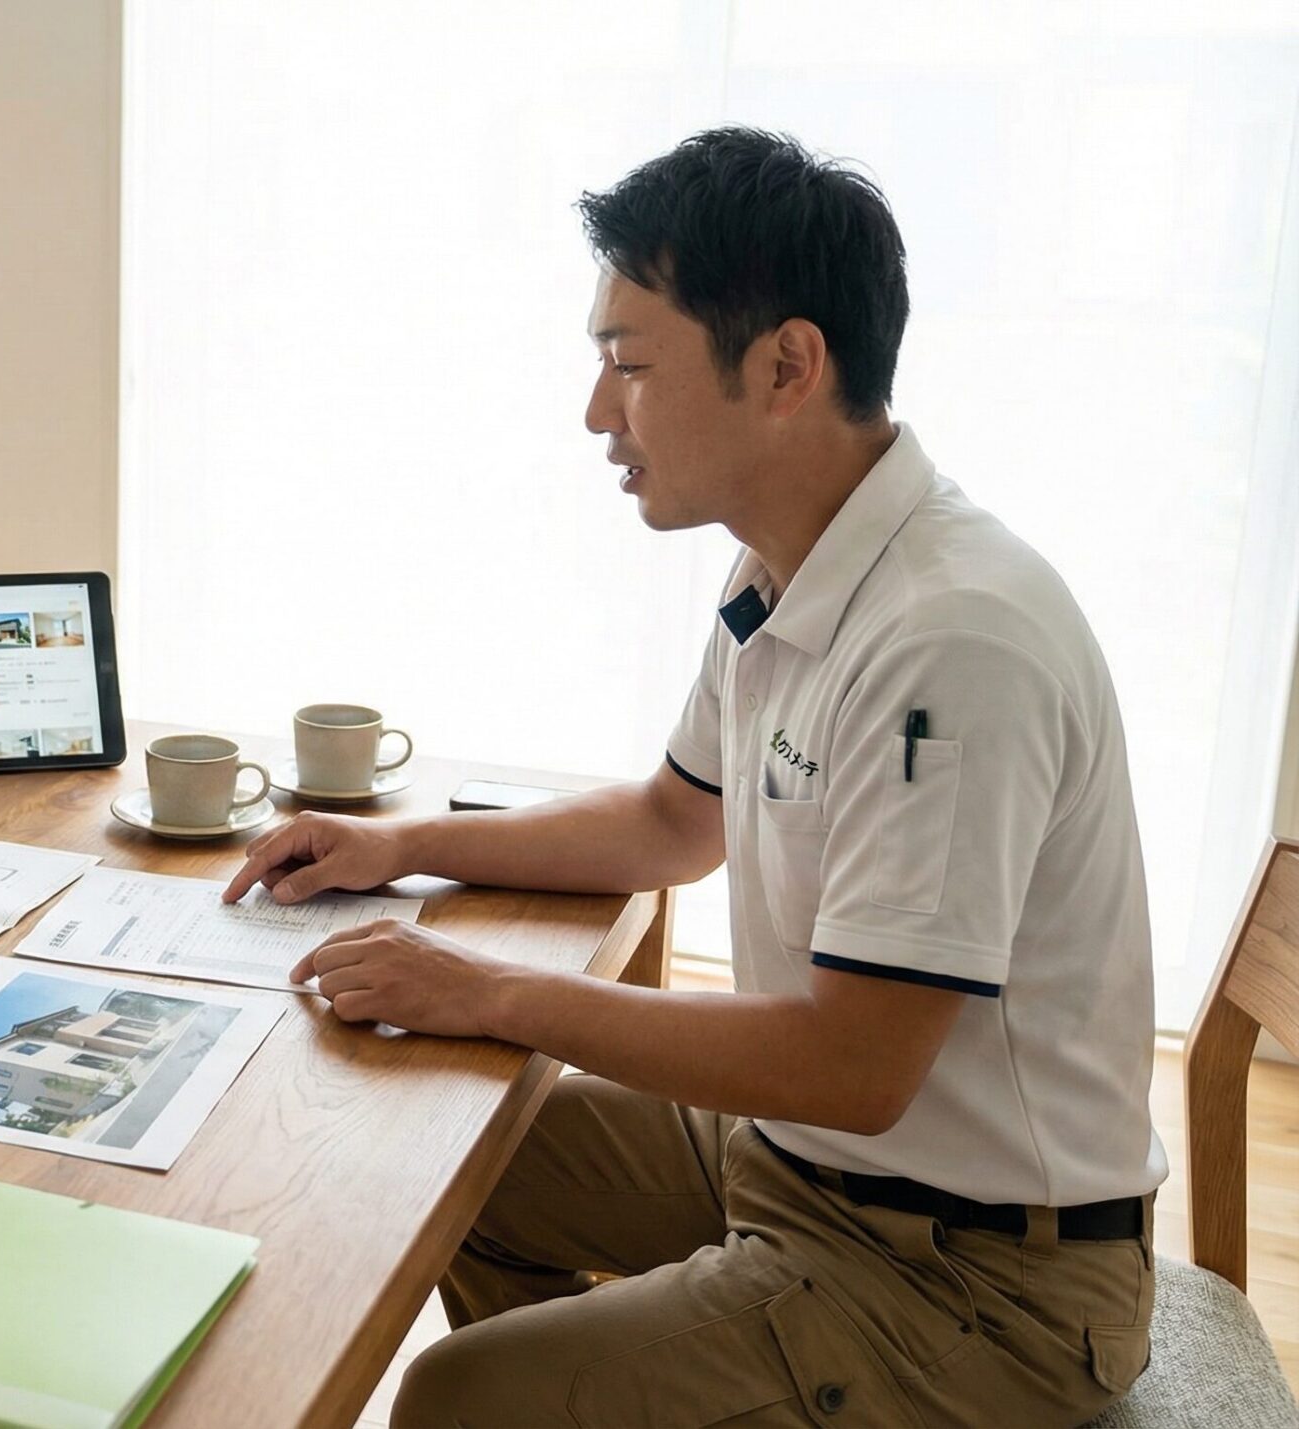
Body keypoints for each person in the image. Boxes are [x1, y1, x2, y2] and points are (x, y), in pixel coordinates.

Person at [226, 129, 1160, 1425]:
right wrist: (404, 845)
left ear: (787, 366)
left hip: (975, 1284)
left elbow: (853, 1064)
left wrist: (491, 990)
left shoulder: (951, 640)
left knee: (461, 1399)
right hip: (815, 1169)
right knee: (440, 1159)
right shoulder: (790, 568)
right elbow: (674, 823)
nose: (598, 412)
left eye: (629, 365)